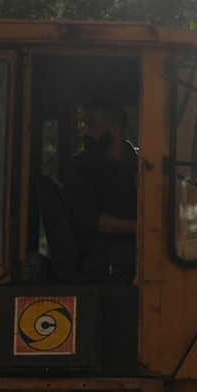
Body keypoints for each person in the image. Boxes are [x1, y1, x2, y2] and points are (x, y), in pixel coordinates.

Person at [63, 99, 137, 279]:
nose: (84, 132)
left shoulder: (144, 164)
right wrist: (145, 228)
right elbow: (90, 219)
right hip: (100, 267)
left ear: (114, 129)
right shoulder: (78, 167)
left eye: (92, 124)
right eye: (83, 124)